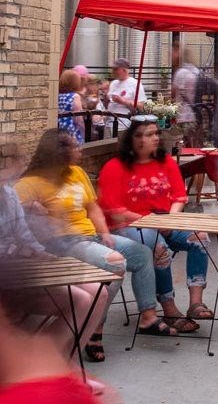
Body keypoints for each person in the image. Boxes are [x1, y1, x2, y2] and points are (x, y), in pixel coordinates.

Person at [15, 129, 175, 363]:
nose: (80, 149)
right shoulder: (30, 183)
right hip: (60, 244)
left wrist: (103, 232)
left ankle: (148, 316)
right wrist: (32, 210)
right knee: (115, 262)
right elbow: (14, 220)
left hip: (90, 237)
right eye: (75, 146)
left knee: (140, 254)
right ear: (59, 152)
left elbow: (93, 208)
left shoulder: (76, 173)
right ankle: (94, 328)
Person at [0, 144, 108, 378]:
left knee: (98, 292)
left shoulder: (8, 194)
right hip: (9, 276)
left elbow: (23, 236)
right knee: (80, 298)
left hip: (20, 269)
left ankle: (61, 363)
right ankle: (45, 368)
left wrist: (41, 254)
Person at [97, 116, 212, 332]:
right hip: (131, 225)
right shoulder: (114, 167)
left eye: (156, 134)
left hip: (165, 220)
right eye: (150, 134)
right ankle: (169, 310)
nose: (156, 138)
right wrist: (155, 223)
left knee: (200, 237)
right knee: (158, 248)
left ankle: (196, 302)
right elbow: (116, 211)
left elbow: (179, 197)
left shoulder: (166, 162)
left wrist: (169, 219)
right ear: (135, 139)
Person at [105, 58, 146, 132]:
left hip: (123, 124)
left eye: (116, 69)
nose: (113, 71)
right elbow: (109, 100)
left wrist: (123, 101)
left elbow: (141, 106)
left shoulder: (135, 84)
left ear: (124, 70)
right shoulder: (113, 83)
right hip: (109, 123)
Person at [58, 69, 86, 145]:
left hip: (59, 130)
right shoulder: (75, 96)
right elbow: (78, 119)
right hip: (72, 132)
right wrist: (83, 132)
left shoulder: (58, 96)